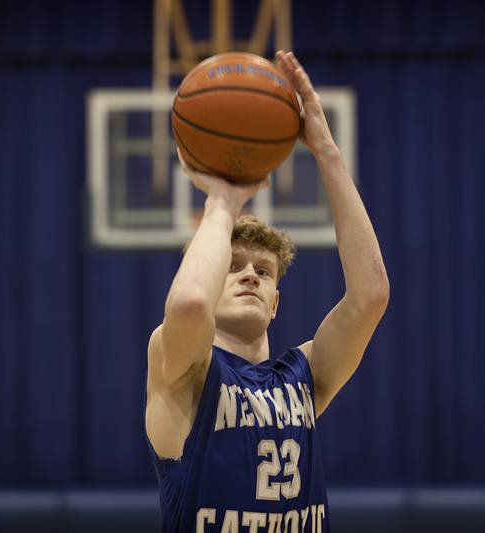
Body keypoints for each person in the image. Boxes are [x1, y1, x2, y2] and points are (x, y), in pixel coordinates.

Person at [145, 50, 389, 533]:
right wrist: (223, 200)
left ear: (276, 302)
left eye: (264, 270)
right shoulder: (185, 375)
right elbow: (192, 303)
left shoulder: (305, 377)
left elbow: (371, 296)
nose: (251, 275)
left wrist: (325, 150)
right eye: (233, 267)